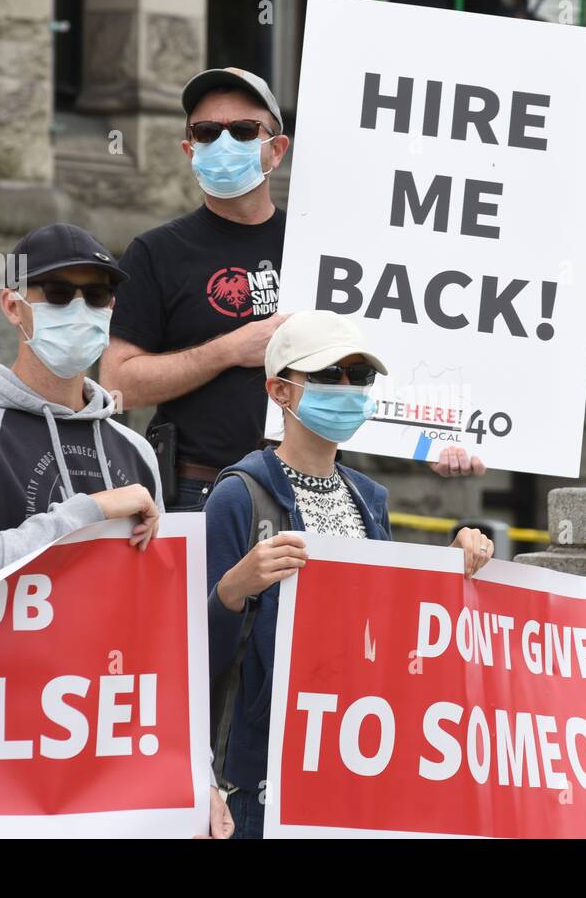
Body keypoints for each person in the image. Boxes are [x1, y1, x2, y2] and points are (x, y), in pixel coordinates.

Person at [0, 222, 232, 838]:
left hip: (101, 765)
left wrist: (198, 776)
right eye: (57, 293)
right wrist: (88, 511)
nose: (79, 309)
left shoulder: (134, 450)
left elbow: (162, 640)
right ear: (13, 304)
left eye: (99, 294)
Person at [100, 67, 483, 514]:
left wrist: (426, 443)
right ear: (190, 149)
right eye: (206, 133)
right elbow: (117, 384)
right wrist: (227, 350)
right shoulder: (156, 251)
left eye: (243, 131)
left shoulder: (328, 251)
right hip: (199, 491)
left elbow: (374, 363)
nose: (223, 143)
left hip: (317, 489)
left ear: (276, 150)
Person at [205, 311, 495, 838]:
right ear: (281, 391)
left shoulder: (370, 499)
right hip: (262, 781)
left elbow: (386, 628)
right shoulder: (238, 495)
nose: (346, 388)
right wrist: (232, 590)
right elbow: (188, 655)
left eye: (358, 377)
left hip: (351, 762)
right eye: (327, 374)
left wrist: (448, 568)